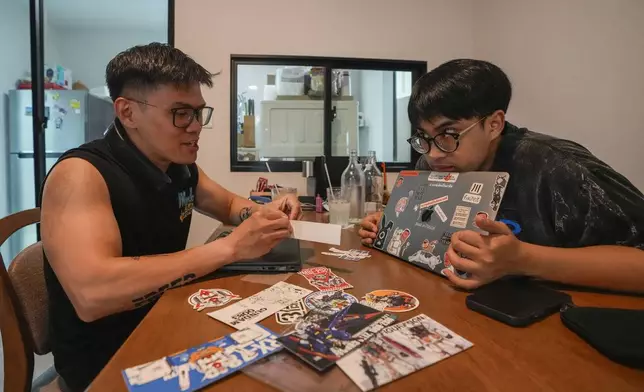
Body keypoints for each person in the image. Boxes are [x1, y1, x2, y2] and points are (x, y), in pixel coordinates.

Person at [40, 43, 301, 391]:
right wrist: (231, 248)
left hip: (166, 319)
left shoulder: (180, 167)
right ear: (128, 113)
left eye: (198, 113)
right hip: (109, 362)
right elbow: (92, 295)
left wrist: (265, 213)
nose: (195, 127)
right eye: (181, 113)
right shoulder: (81, 174)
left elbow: (227, 206)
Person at [359, 59, 644, 293]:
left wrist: (523, 259)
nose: (433, 154)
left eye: (448, 134)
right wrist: (390, 224)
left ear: (494, 124)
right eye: (424, 137)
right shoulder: (433, 163)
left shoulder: (555, 166)